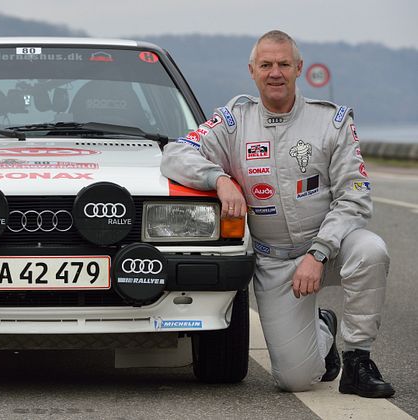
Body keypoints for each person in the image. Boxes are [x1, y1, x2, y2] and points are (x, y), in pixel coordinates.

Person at [161, 30, 394, 398]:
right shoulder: (234, 122)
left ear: (298, 68)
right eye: (266, 65)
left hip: (330, 249)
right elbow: (174, 154)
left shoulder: (331, 122)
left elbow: (355, 196)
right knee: (295, 381)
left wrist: (318, 252)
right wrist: (218, 178)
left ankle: (357, 361)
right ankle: (322, 329)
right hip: (276, 264)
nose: (275, 72)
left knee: (371, 251)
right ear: (252, 71)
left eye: (284, 64)